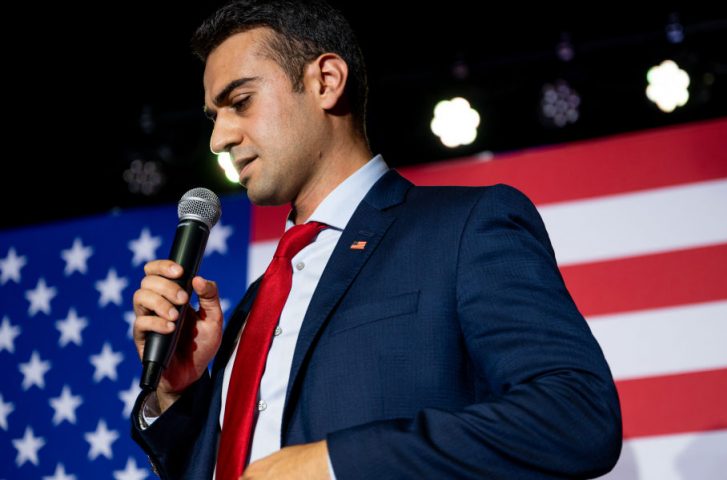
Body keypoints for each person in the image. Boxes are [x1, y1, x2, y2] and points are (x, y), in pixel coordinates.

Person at [130, 1, 622, 479]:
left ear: (325, 81)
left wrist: (334, 464)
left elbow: (576, 414)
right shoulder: (254, 305)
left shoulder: (464, 227)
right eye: (214, 117)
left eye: (240, 102)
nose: (219, 138)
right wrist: (178, 393)